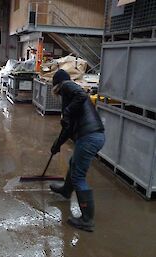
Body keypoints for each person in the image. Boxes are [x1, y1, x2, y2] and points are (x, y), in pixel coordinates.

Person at [50, 69, 105, 232]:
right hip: (93, 136)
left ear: (57, 85)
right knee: (73, 162)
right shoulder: (70, 100)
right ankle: (66, 190)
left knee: (79, 176)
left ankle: (87, 219)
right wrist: (57, 144)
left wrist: (66, 112)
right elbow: (67, 129)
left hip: (89, 137)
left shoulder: (67, 85)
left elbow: (81, 94)